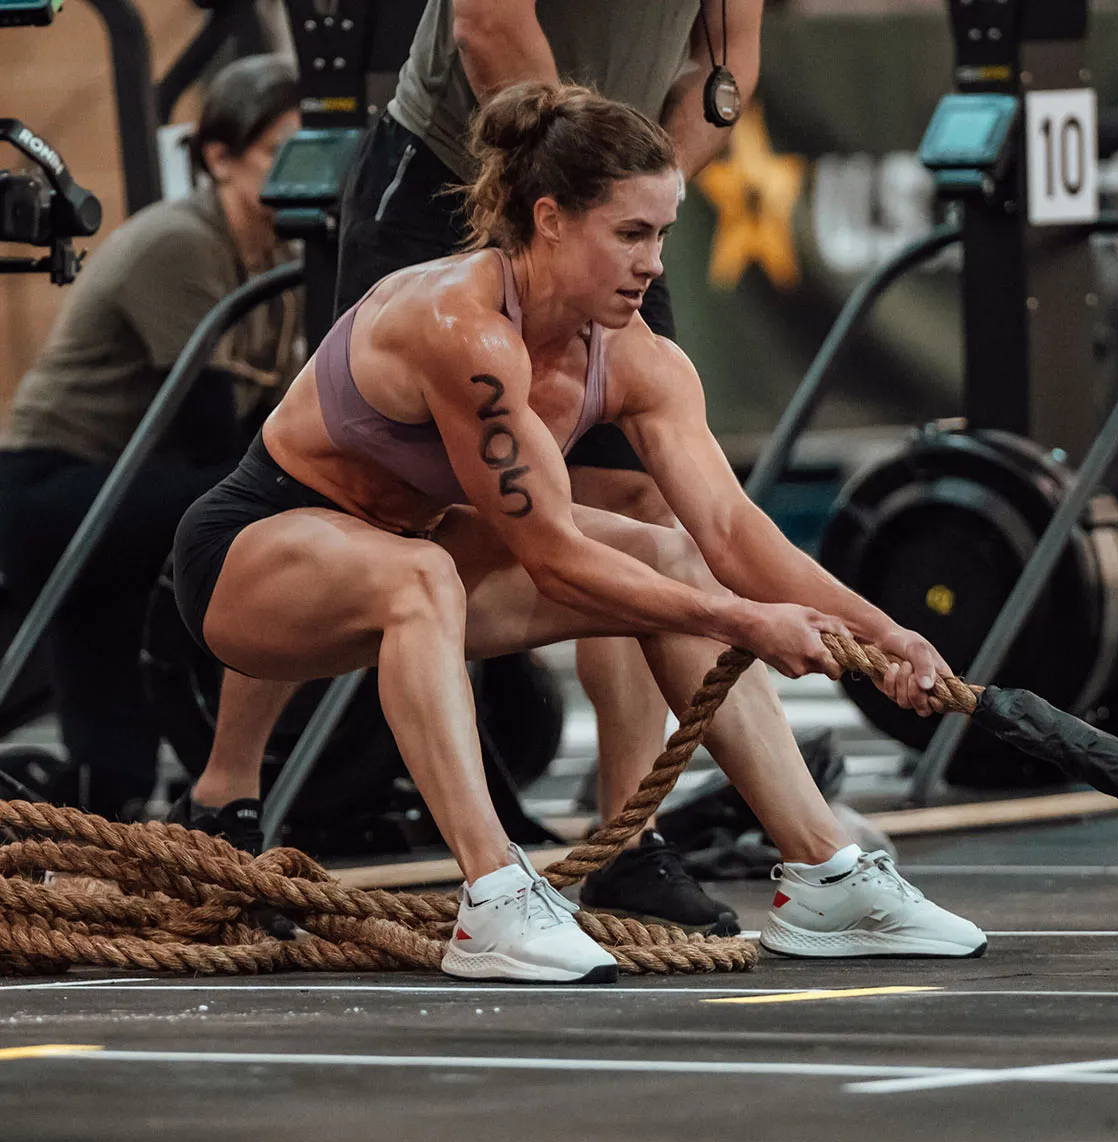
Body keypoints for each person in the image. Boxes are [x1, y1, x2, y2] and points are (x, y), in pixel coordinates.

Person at [172, 83, 986, 983]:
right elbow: (555, 559)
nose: (654, 265)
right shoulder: (461, 328)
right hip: (251, 558)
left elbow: (730, 529)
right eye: (630, 234)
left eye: (664, 235)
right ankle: (493, 896)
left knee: (667, 553)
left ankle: (826, 873)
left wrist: (884, 632)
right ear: (550, 219)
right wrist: (748, 621)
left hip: (409, 550)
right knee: (423, 575)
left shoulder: (636, 357)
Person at [183, 0, 767, 934]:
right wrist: (573, 181)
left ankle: (628, 838)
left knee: (634, 507)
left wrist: (635, 208)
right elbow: (488, 26)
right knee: (352, 494)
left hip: (596, 204)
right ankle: (227, 792)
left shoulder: (625, 242)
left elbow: (724, 69)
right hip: (452, 171)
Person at [0, 55, 302, 821]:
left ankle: (117, 791)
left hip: (131, 485)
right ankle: (236, 770)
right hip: (52, 491)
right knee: (261, 501)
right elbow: (212, 429)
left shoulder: (279, 253)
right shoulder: (182, 243)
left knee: (111, 783)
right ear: (220, 157)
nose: (297, 171)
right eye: (277, 151)